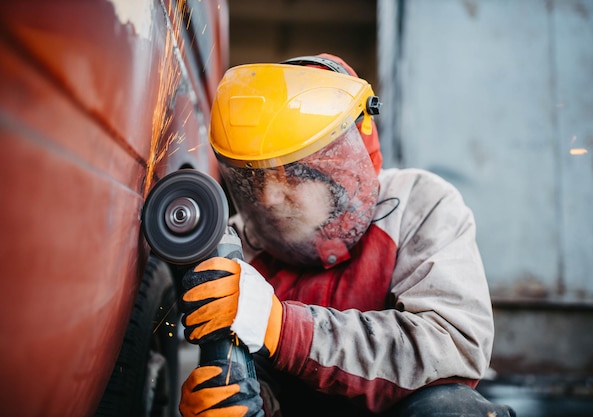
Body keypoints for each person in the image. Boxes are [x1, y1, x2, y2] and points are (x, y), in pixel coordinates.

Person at [178, 54, 516, 417]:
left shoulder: (421, 206)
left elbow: (450, 350)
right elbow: (261, 378)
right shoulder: (244, 244)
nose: (268, 197)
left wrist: (284, 328)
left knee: (452, 410)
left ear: (342, 167)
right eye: (257, 178)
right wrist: (241, 399)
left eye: (290, 173)